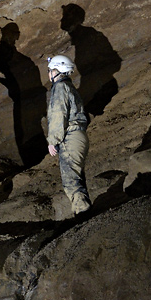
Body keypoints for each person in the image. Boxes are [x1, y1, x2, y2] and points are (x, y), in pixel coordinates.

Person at [46, 55, 92, 215]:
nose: (49, 74)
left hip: (70, 139)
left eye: (50, 70)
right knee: (78, 180)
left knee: (71, 182)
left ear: (57, 71)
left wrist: (52, 141)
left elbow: (58, 116)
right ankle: (86, 214)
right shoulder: (70, 87)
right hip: (80, 137)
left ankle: (84, 216)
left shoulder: (59, 89)